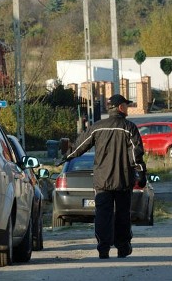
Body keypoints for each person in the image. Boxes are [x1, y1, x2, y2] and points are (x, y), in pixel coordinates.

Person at [62, 94, 147, 259]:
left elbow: (79, 146)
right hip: (123, 180)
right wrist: (142, 174)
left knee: (102, 215)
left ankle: (103, 248)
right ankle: (123, 247)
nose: (128, 108)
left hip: (101, 181)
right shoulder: (129, 128)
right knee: (122, 215)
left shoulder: (97, 127)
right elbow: (136, 155)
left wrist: (66, 156)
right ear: (120, 107)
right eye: (126, 105)